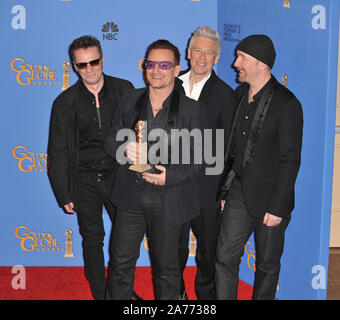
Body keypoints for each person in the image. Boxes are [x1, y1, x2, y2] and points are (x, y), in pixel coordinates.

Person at [104, 39, 206, 300]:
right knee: (120, 266)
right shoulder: (130, 99)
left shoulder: (193, 110)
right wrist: (124, 149)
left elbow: (202, 159)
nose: (156, 70)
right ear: (144, 67)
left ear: (176, 69)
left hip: (169, 200)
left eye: (164, 65)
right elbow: (109, 141)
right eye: (151, 64)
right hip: (130, 198)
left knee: (168, 271)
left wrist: (169, 177)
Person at [215, 34, 303, 300]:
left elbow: (291, 159)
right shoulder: (240, 94)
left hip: (271, 199)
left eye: (242, 57)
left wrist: (277, 207)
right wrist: (224, 192)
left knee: (266, 265)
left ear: (261, 64)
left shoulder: (287, 104)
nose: (235, 63)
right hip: (239, 193)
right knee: (224, 258)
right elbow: (232, 150)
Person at [47, 35, 135, 300]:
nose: (89, 69)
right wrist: (64, 194)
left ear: (102, 59)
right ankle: (102, 295)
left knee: (126, 241)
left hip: (119, 177)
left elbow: (138, 136)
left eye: (93, 62)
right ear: (74, 66)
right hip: (84, 181)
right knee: (92, 240)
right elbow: (58, 151)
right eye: (82, 65)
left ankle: (123, 292)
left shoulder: (125, 90)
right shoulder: (64, 103)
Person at [175, 26, 236, 300]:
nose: (201, 57)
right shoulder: (169, 84)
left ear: (217, 58)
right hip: (170, 186)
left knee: (208, 253)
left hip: (207, 189)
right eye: (197, 50)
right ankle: (175, 296)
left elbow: (229, 148)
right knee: (171, 252)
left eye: (208, 53)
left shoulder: (225, 95)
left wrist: (223, 191)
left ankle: (206, 300)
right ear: (188, 53)